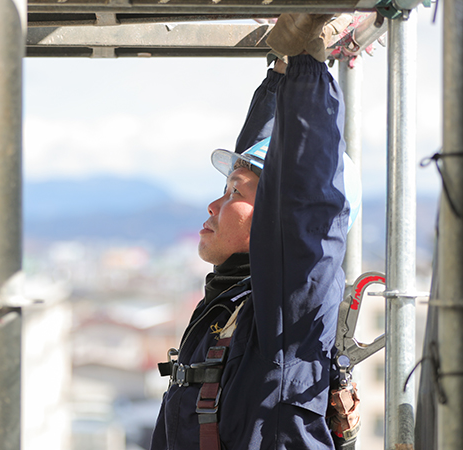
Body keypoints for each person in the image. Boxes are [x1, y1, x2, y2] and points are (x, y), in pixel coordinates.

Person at [151, 14, 360, 450]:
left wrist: (308, 67)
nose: (213, 205)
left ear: (273, 216)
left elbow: (302, 207)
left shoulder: (287, 308)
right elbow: (260, 174)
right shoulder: (236, 300)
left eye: (231, 194)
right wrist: (283, 70)